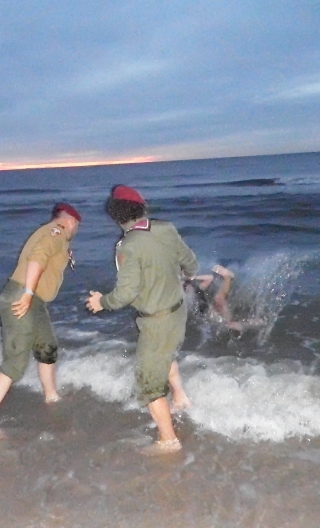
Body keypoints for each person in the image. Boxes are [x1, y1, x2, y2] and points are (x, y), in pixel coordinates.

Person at [86, 185, 198, 455]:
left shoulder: (127, 246)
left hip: (156, 320)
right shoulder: (166, 228)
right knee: (165, 353)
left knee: (148, 383)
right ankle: (180, 399)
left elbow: (125, 294)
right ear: (141, 208)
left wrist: (102, 302)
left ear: (115, 215)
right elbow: (191, 265)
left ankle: (168, 440)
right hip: (178, 311)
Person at [0, 202, 81, 440]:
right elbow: (37, 258)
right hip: (22, 297)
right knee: (15, 363)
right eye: (76, 225)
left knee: (47, 347)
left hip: (36, 302)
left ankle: (51, 395)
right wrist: (27, 293)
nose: (75, 230)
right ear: (71, 221)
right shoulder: (56, 232)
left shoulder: (54, 236)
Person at [187, 264, 241, 330]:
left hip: (209, 314)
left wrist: (193, 278)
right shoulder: (188, 295)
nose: (187, 287)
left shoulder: (197, 290)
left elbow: (209, 278)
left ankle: (228, 277)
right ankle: (227, 277)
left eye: (187, 285)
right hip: (208, 315)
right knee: (219, 302)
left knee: (219, 300)